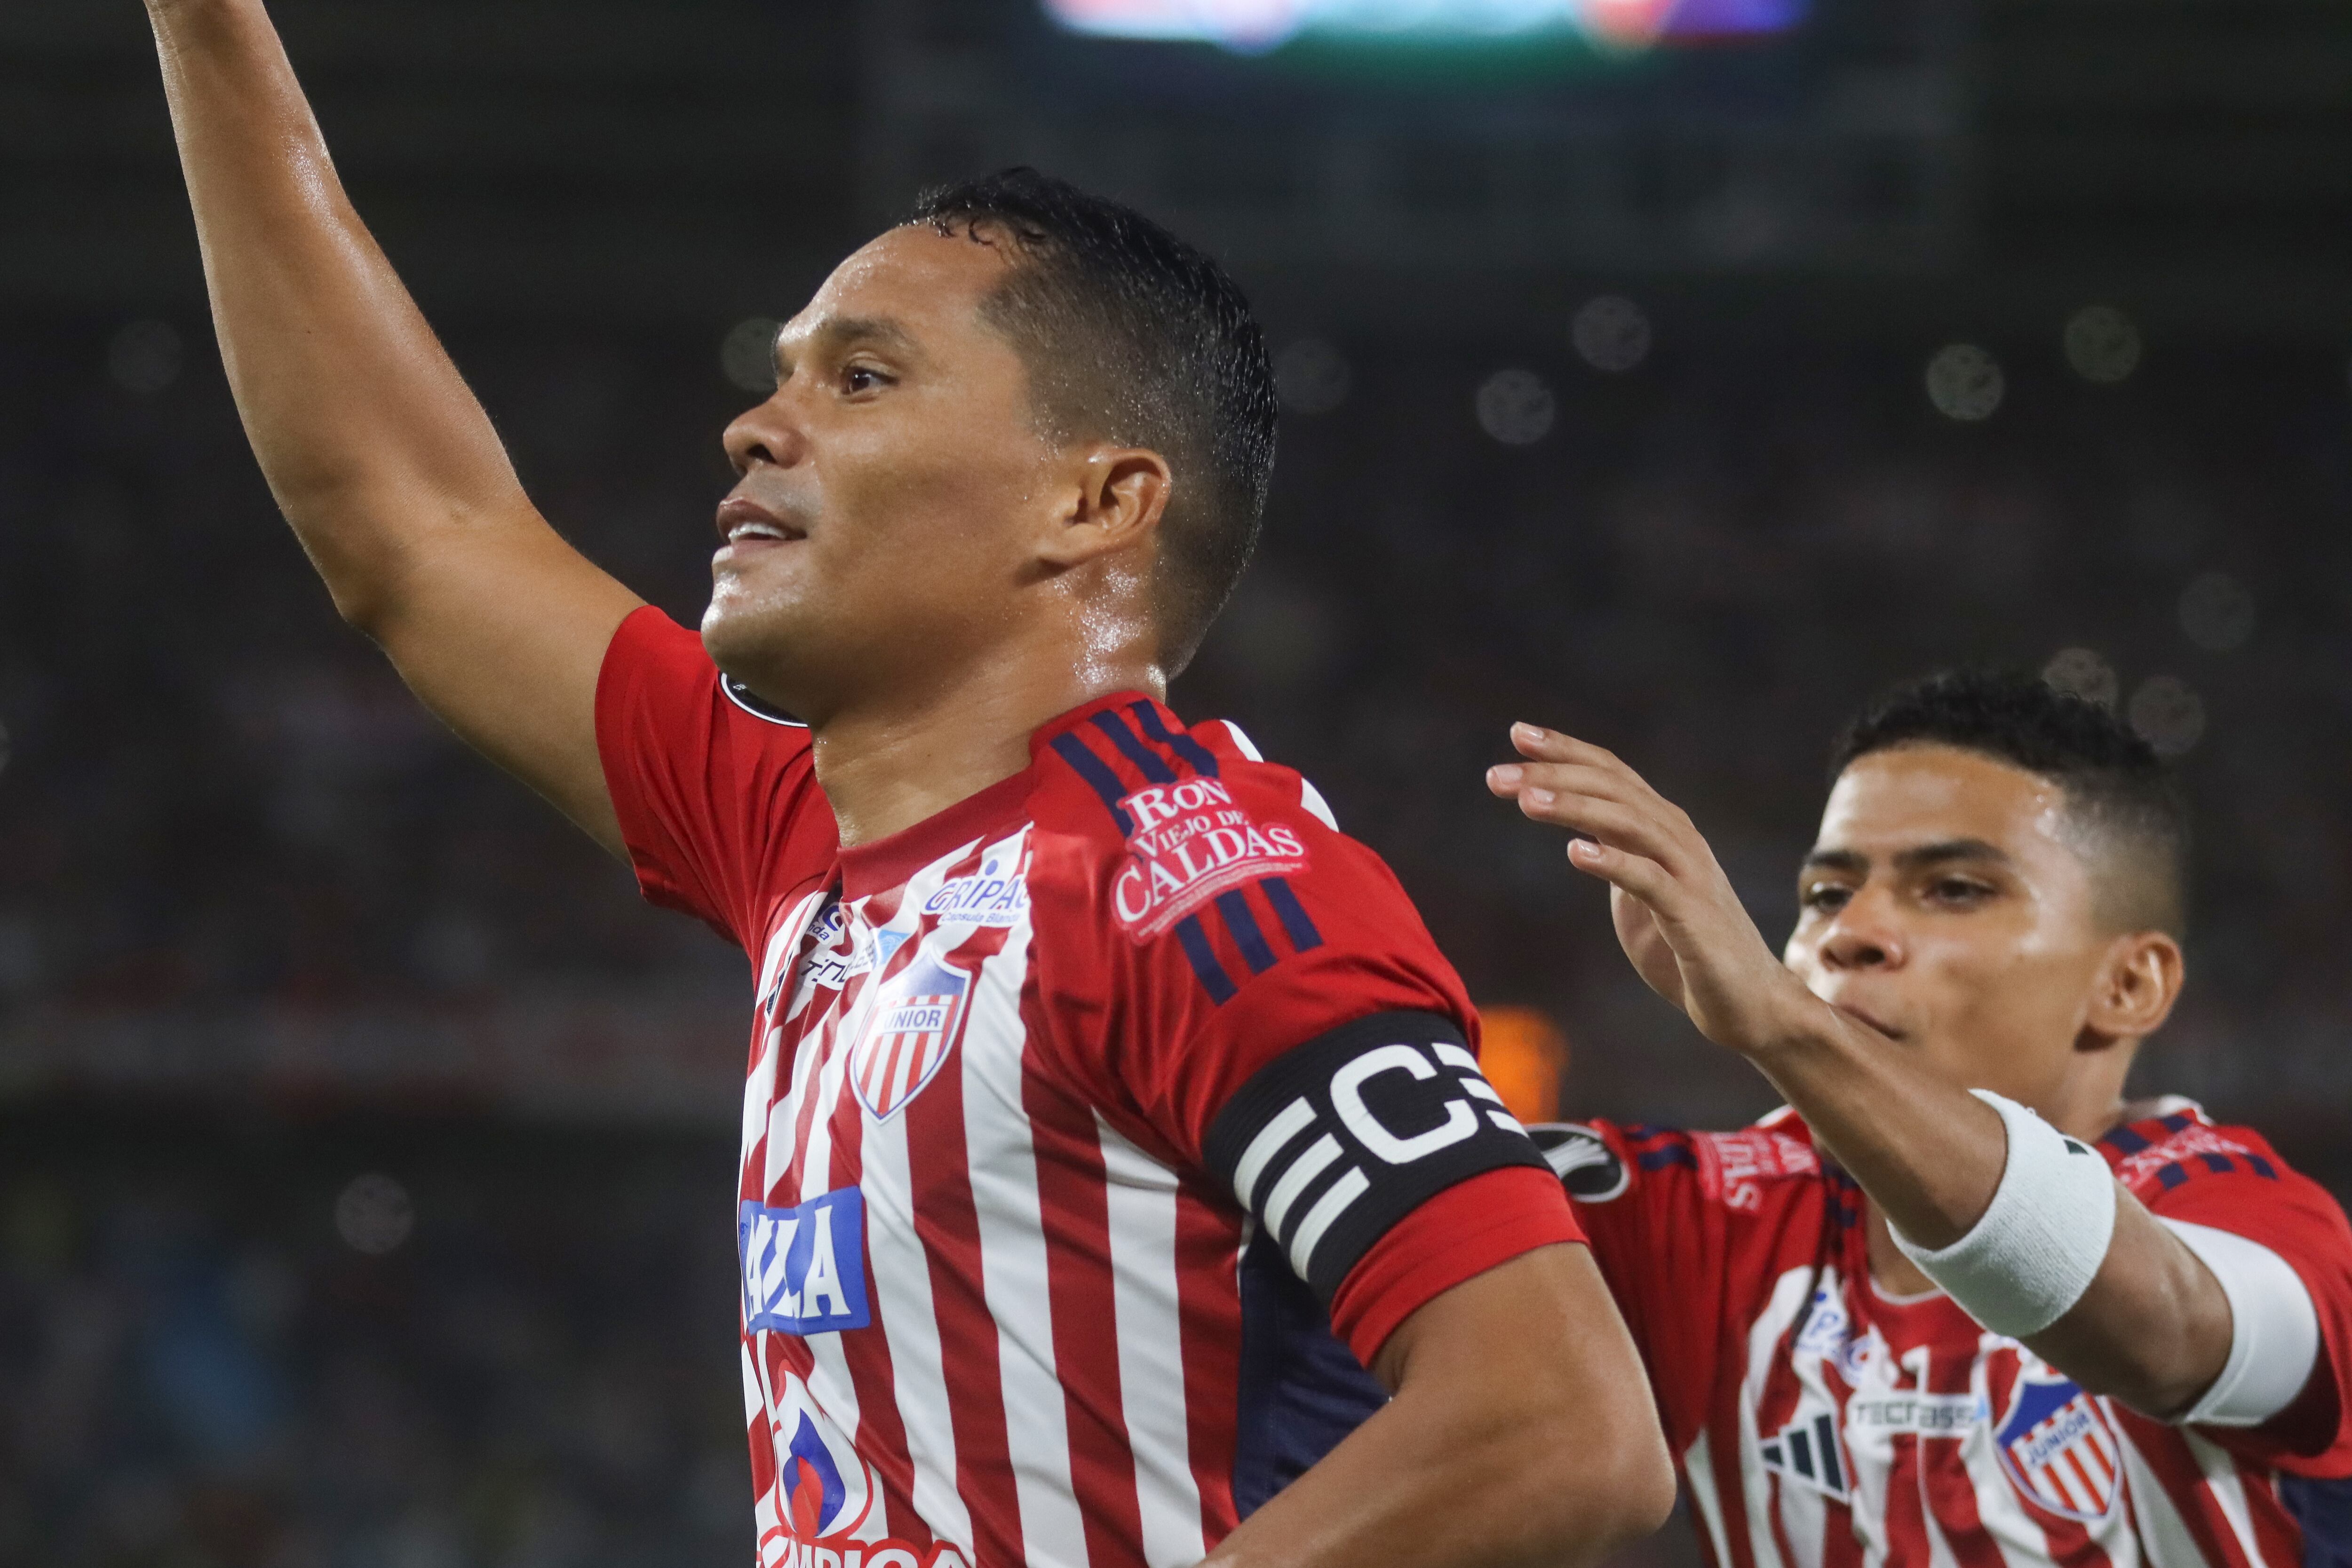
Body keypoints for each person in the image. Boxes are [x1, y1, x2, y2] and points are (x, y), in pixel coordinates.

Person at [137, 3, 1676, 1566]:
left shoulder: (1198, 890)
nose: (756, 424)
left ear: (1096, 501)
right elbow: (412, 527)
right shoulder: (807, 828)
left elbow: (1558, 1422)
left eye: (861, 378)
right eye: (783, 375)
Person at [1487, 670, 2352, 1568]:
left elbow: (2167, 1335)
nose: (1850, 933)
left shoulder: (2252, 1220)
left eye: (1955, 889)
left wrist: (1789, 1023)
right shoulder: (1710, 1217)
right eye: (1827, 894)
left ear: (2127, 984)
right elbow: (1415, 1202)